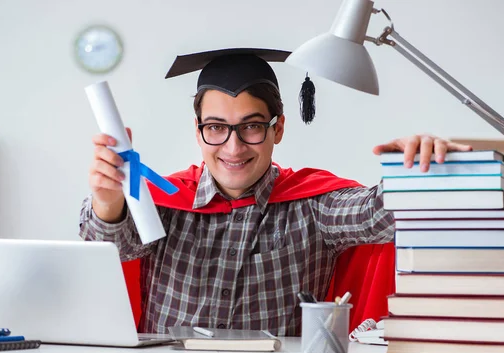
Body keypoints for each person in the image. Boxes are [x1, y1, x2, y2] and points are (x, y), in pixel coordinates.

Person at [79, 48, 472, 336]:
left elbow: (380, 213)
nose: (233, 148)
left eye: (251, 126)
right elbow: (109, 253)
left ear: (277, 128)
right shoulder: (161, 199)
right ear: (197, 129)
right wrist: (108, 200)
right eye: (216, 127)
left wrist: (419, 169)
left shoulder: (313, 205)